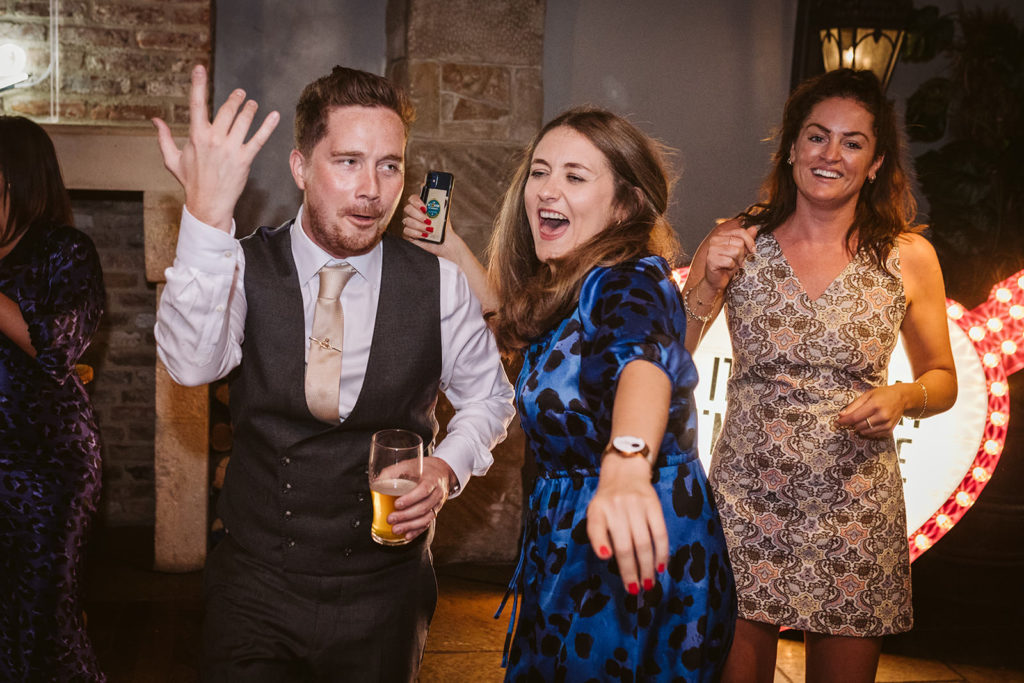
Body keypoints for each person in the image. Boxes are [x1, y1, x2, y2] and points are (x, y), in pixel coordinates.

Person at [151, 65, 515, 681]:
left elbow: (490, 397)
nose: (372, 189)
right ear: (300, 168)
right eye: (347, 161)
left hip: (385, 592)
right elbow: (191, 365)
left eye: (390, 165)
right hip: (256, 586)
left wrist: (447, 466)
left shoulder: (440, 286)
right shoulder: (239, 268)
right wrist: (207, 220)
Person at [403, 108, 736, 681]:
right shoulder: (571, 282)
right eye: (539, 172)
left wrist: (628, 462)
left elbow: (644, 362)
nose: (547, 190)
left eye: (575, 177)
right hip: (568, 542)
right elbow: (512, 324)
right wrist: (453, 249)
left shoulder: (631, 280)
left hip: (635, 544)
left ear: (626, 205)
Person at [682, 68, 958, 682]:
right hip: (745, 501)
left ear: (877, 162)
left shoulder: (907, 257)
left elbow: (943, 377)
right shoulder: (738, 240)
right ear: (791, 148)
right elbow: (666, 358)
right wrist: (707, 281)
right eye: (816, 136)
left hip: (855, 509)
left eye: (852, 142)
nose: (831, 154)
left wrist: (904, 395)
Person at [0, 116, 107, 681]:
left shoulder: (66, 250)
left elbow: (57, 349)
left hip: (46, 467)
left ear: (16, 180)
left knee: (47, 625)